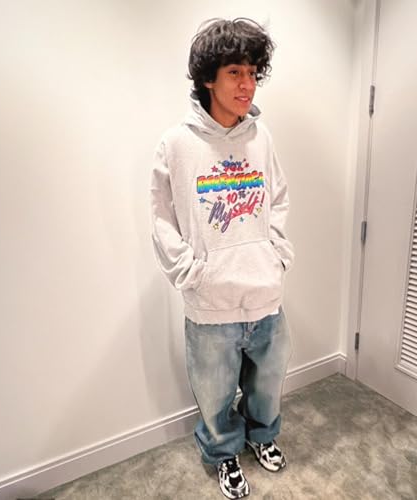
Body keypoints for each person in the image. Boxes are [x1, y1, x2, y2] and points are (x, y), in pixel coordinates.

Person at [150, 17, 294, 499]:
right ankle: (223, 452)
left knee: (267, 383)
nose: (247, 83)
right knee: (214, 394)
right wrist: (192, 273)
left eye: (252, 72)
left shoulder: (261, 136)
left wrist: (277, 254)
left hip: (265, 294)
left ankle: (262, 436)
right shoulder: (177, 143)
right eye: (235, 72)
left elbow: (277, 198)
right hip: (211, 303)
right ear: (208, 78)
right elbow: (161, 219)